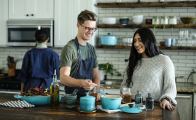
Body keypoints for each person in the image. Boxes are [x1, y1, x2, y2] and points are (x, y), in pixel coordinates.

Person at [120, 27, 177, 110]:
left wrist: (166, 99)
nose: (136, 44)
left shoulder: (164, 60)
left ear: (149, 40)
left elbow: (170, 87)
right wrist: (123, 92)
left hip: (152, 107)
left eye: (140, 40)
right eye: (135, 41)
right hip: (131, 106)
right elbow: (125, 84)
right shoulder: (133, 61)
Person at [59, 10, 100, 100]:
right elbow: (63, 78)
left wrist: (96, 91)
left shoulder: (91, 49)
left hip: (90, 99)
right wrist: (82, 83)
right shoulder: (70, 48)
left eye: (93, 29)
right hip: (73, 101)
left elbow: (96, 76)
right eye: (87, 28)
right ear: (78, 25)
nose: (90, 32)